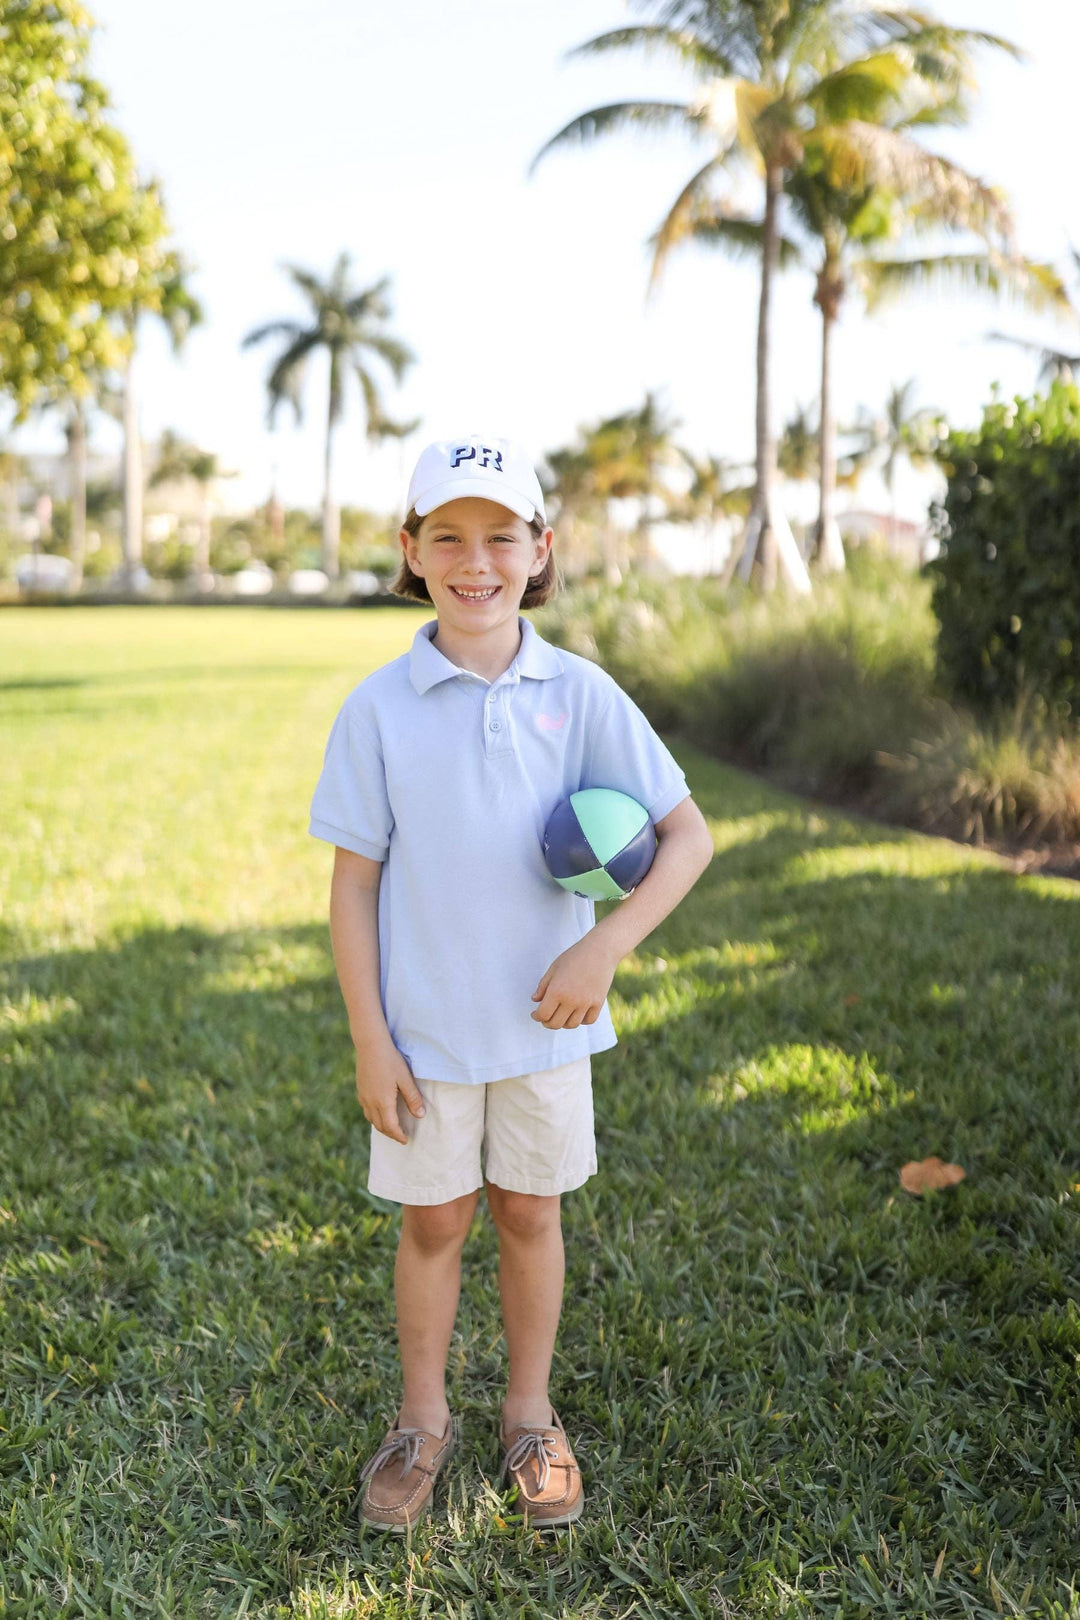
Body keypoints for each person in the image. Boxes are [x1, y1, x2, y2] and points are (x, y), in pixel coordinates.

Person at [308, 433, 714, 1532]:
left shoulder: (578, 695)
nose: (475, 560)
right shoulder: (380, 709)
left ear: (542, 548)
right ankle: (421, 1420)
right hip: (425, 1036)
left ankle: (529, 1415)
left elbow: (688, 837)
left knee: (531, 1212)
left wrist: (603, 949)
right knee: (434, 1223)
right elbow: (354, 891)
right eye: (449, 536)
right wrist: (369, 1039)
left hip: (545, 1032)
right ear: (411, 549)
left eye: (501, 536)